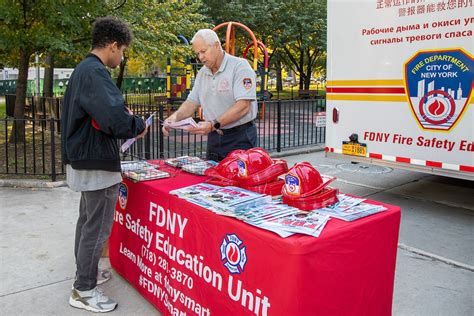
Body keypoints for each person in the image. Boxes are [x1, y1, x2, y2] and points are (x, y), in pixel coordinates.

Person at [61, 16, 147, 313]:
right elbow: (115, 117)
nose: (121, 57)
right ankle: (83, 289)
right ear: (112, 45)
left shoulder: (83, 70)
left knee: (87, 223)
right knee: (96, 228)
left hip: (84, 158)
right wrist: (137, 125)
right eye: (122, 51)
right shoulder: (95, 73)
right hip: (94, 162)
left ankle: (86, 275)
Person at [163, 29, 258, 161]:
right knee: (212, 178)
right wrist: (174, 118)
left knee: (238, 180)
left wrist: (213, 124)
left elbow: (243, 106)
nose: (200, 57)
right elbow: (191, 102)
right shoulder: (202, 73)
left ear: (217, 45)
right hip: (214, 137)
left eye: (203, 51)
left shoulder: (240, 67)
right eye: (197, 53)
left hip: (240, 137)